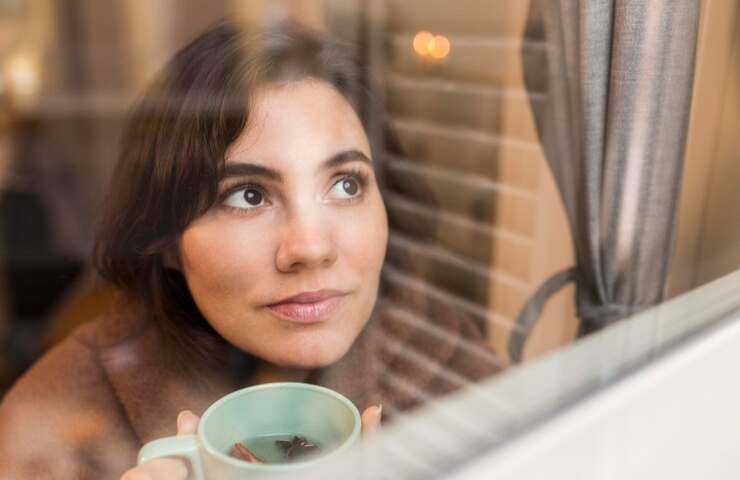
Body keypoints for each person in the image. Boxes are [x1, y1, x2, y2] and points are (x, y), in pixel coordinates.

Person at [0, 20, 500, 479]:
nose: (310, 247)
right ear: (167, 240)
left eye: (347, 184)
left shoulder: (444, 354)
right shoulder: (48, 429)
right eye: (248, 195)